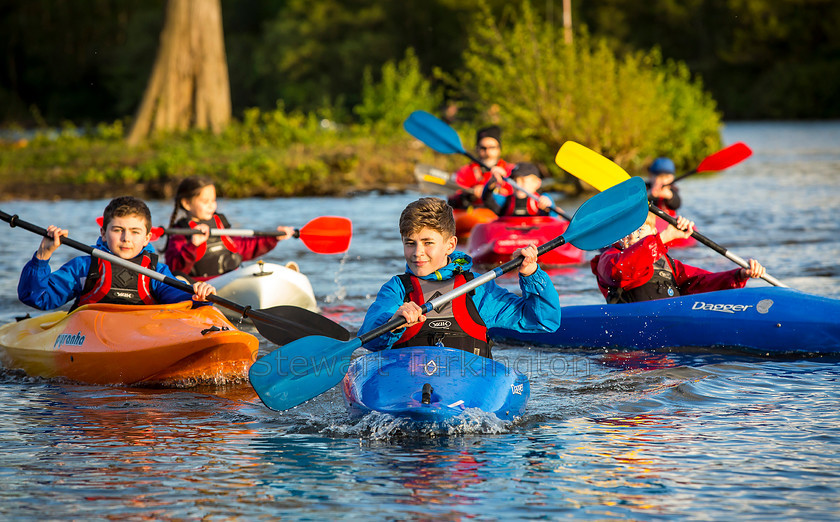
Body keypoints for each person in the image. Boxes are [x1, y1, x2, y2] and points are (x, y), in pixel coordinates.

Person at [358, 197, 561, 358]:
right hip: (410, 391)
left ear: (450, 245)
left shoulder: (476, 288)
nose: (417, 252)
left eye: (428, 242)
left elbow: (543, 321)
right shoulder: (397, 289)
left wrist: (531, 274)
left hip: (467, 396)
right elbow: (369, 340)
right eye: (410, 243)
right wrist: (394, 321)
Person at [18, 196, 216, 311]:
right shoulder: (84, 267)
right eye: (117, 230)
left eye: (135, 231)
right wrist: (42, 256)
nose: (126, 238)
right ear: (103, 233)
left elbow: (179, 298)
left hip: (138, 336)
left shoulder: (155, 271)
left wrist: (198, 294)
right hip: (89, 336)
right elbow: (37, 297)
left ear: (147, 238)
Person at [590, 211, 767, 304]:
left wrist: (739, 275)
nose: (632, 237)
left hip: (670, 326)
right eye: (627, 232)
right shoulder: (609, 259)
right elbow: (623, 270)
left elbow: (701, 282)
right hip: (633, 332)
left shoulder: (668, 263)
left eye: (640, 230)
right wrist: (664, 238)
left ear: (653, 231)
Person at [164, 177, 296, 281]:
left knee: (257, 271)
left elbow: (244, 247)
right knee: (180, 279)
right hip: (203, 287)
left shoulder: (220, 224)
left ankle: (282, 279)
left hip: (230, 280)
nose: (211, 206)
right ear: (186, 203)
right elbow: (175, 268)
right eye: (205, 202)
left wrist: (273, 238)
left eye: (213, 200)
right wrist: (193, 245)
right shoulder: (180, 232)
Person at [447, 125, 514, 210]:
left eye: (492, 147)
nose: (487, 151)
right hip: (473, 215)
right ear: (477, 149)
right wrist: (469, 196)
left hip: (500, 216)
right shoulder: (464, 172)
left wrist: (491, 192)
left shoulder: (511, 170)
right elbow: (452, 200)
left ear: (499, 149)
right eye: (483, 148)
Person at [481, 162, 559, 217]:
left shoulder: (542, 199)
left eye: (522, 180)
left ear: (537, 183)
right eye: (515, 181)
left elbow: (552, 216)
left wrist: (547, 208)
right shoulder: (506, 201)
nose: (517, 184)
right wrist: (492, 182)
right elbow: (487, 198)